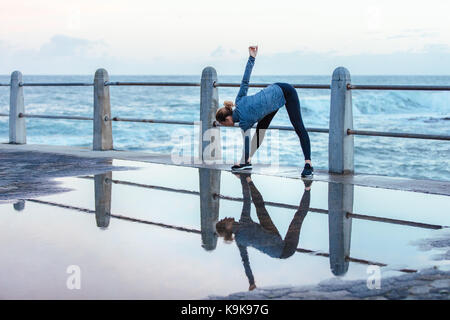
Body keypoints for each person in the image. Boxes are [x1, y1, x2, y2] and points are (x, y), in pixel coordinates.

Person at [215, 45, 313, 177]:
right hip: (272, 95)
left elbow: (246, 142)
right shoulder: (238, 101)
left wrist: (252, 58)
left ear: (227, 119)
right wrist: (251, 57)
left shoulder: (244, 122)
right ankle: (247, 161)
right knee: (260, 130)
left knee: (298, 126)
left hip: (286, 91)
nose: (224, 126)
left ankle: (308, 164)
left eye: (223, 124)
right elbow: (245, 80)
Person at [215, 173, 311, 291]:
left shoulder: (243, 222)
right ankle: (308, 187)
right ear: (227, 228)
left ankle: (248, 178)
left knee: (259, 206)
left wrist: (243, 179)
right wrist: (251, 282)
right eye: (224, 221)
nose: (225, 218)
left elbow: (247, 198)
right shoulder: (240, 239)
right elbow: (245, 261)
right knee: (298, 218)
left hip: (270, 234)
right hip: (284, 250)